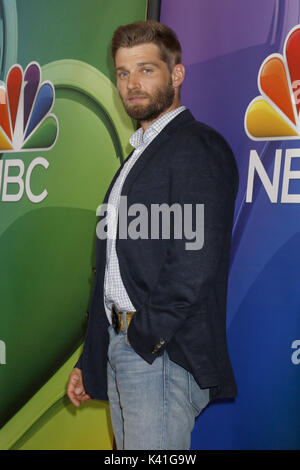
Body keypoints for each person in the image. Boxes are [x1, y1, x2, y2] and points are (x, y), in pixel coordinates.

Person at [67, 20, 239, 450]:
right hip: (126, 349)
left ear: (176, 74)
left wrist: (143, 339)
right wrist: (90, 360)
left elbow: (194, 261)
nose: (131, 84)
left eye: (146, 70)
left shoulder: (197, 147)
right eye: (123, 73)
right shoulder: (136, 157)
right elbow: (112, 271)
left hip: (159, 355)